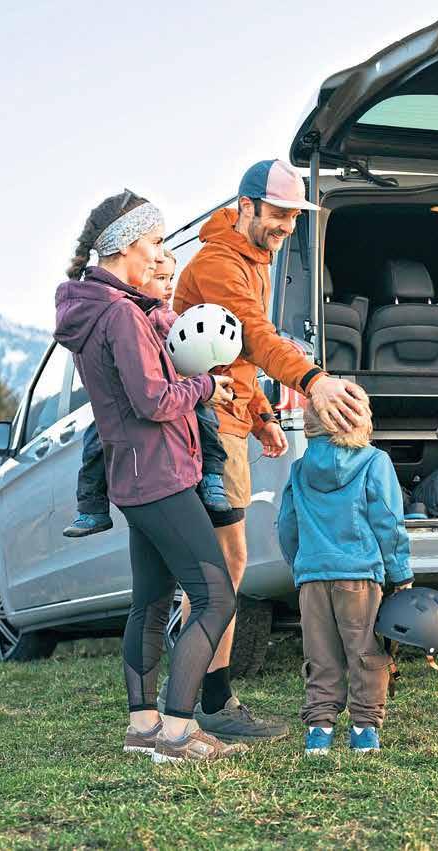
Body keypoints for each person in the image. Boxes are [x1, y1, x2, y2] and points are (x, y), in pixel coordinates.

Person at [168, 159, 369, 742]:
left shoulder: (253, 259)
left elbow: (232, 353)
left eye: (294, 216)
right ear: (247, 206)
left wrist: (260, 417)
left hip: (228, 419)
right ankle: (207, 700)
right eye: (279, 213)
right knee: (220, 566)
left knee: (218, 565)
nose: (287, 225)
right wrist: (313, 381)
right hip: (207, 426)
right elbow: (256, 337)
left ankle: (200, 696)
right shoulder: (219, 265)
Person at [53, 189, 244, 763]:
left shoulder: (100, 310)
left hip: (134, 477)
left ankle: (143, 727)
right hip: (160, 476)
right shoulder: (120, 316)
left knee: (152, 601)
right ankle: (178, 732)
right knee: (215, 598)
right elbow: (154, 400)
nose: (161, 254)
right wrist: (206, 386)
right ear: (126, 245)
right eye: (155, 242)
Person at [276, 399, 412, 755]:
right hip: (359, 576)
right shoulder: (374, 461)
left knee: (320, 652)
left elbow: (287, 524)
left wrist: (302, 563)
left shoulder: (300, 468)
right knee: (366, 651)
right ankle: (364, 730)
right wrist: (400, 572)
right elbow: (388, 520)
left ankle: (319, 731)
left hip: (312, 577)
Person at [64, 249, 229, 538]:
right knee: (96, 438)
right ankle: (91, 506)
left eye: (171, 278)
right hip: (138, 407)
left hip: (182, 393)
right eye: (160, 278)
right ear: (138, 280)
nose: (169, 286)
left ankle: (212, 477)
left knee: (207, 421)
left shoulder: (170, 318)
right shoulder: (125, 316)